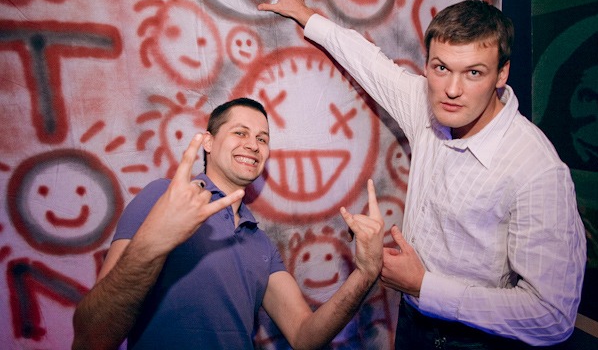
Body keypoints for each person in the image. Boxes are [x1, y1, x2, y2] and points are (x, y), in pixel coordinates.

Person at [258, 0, 587, 349]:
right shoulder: (425, 103)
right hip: (413, 324)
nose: (452, 89)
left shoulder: (536, 169)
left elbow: (552, 317)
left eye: (474, 73)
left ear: (501, 74)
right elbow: (369, 62)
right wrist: (304, 14)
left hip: (477, 341)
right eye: (441, 67)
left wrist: (425, 287)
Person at [72, 97, 385, 349]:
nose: (253, 145)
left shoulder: (260, 243)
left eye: (262, 138)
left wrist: (365, 273)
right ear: (208, 142)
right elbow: (91, 335)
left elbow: (305, 335)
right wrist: (152, 243)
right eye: (240, 132)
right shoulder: (163, 198)